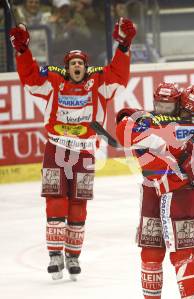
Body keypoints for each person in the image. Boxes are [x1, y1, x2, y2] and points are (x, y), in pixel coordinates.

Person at [9, 17, 136, 280]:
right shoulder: (53, 81)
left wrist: (123, 47)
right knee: (55, 201)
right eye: (72, 63)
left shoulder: (99, 82)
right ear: (67, 67)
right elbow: (30, 76)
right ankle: (55, 254)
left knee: (78, 203)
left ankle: (73, 256)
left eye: (81, 63)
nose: (77, 66)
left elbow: (119, 75)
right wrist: (22, 51)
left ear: (85, 66)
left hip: (85, 152)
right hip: (56, 149)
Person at [115, 84, 194, 298]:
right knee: (156, 251)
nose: (162, 109)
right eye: (159, 104)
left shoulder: (155, 124)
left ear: (178, 104)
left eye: (168, 105)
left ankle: (193, 293)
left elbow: (125, 129)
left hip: (172, 192)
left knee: (190, 249)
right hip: (159, 191)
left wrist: (131, 118)